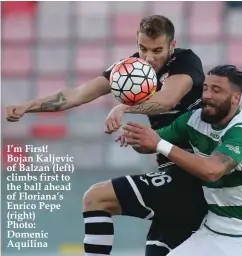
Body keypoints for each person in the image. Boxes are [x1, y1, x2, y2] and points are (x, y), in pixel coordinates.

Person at [5, 15, 207, 256]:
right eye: (143, 49)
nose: (149, 58)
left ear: (171, 46)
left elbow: (168, 99)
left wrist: (125, 107)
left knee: (96, 197)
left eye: (158, 50)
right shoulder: (128, 68)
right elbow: (77, 94)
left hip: (195, 171)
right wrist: (29, 105)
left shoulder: (185, 61)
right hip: (170, 171)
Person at [122, 64, 242, 256]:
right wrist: (135, 136)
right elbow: (149, 143)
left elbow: (212, 171)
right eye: (205, 88)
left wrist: (159, 144)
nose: (207, 95)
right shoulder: (194, 120)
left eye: (216, 90)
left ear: (236, 98)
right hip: (212, 230)